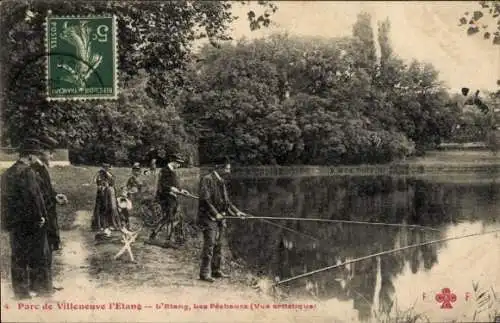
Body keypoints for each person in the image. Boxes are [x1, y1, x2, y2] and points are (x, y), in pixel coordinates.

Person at [0, 138, 53, 299]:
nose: (37, 159)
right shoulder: (28, 172)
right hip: (31, 223)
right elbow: (34, 197)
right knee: (39, 255)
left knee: (18, 257)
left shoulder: (7, 173)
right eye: (36, 156)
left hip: (14, 223)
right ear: (30, 156)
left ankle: (21, 292)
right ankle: (43, 290)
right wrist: (40, 217)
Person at [198, 158, 247, 283]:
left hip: (220, 217)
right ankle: (204, 273)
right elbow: (205, 200)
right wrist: (216, 214)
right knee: (209, 245)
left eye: (229, 168)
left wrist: (237, 212)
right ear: (218, 168)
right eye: (227, 168)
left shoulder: (222, 181)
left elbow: (227, 202)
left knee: (219, 244)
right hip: (208, 218)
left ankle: (216, 270)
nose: (228, 171)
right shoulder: (207, 179)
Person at [147, 153, 191, 246]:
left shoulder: (173, 171)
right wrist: (172, 189)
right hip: (165, 197)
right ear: (173, 162)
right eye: (178, 163)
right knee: (170, 217)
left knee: (168, 218)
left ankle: (154, 234)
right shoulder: (164, 170)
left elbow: (175, 185)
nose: (179, 165)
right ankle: (167, 240)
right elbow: (163, 185)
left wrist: (182, 190)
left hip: (172, 197)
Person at [91, 163, 122, 236]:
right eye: (105, 167)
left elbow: (112, 181)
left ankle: (112, 224)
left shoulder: (109, 174)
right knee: (102, 208)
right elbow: (96, 181)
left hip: (109, 193)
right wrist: (102, 185)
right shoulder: (99, 173)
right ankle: (101, 225)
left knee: (112, 207)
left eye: (108, 167)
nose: (106, 168)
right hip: (102, 193)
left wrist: (108, 181)